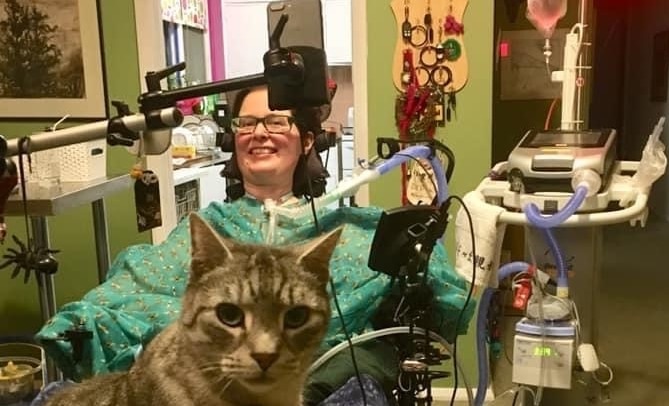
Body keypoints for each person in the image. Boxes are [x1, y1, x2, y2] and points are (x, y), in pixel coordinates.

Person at [35, 86, 474, 404]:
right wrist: (87, 319)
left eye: (276, 121)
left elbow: (421, 283)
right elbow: (133, 291)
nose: (259, 132)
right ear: (234, 141)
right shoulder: (207, 228)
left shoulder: (347, 226)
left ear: (307, 141)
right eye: (247, 123)